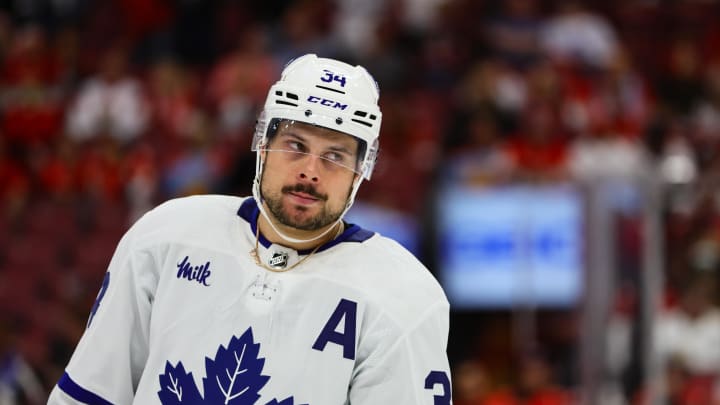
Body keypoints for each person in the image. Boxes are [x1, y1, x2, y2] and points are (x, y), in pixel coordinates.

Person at [47, 54, 452, 404]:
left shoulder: (404, 298)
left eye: (335, 155)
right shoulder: (164, 237)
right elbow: (90, 394)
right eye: (296, 145)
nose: (310, 171)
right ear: (262, 143)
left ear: (360, 171)